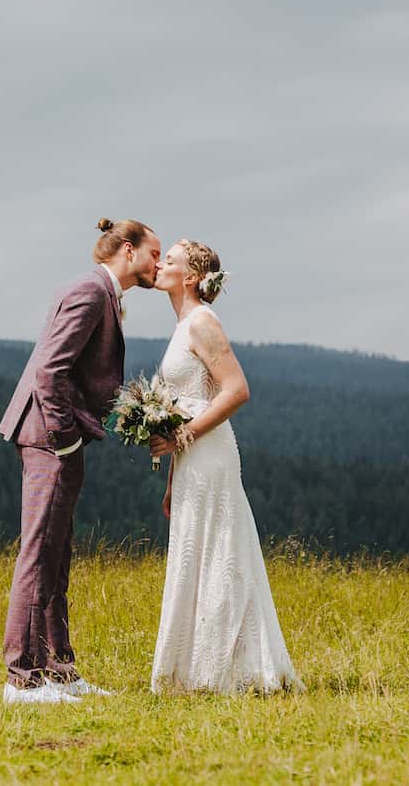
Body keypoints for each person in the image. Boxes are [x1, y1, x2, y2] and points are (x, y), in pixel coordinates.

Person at [0, 217, 161, 705]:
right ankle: (21, 680)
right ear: (127, 251)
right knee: (39, 551)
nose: (158, 263)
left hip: (58, 438)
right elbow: (49, 372)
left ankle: (58, 670)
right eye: (154, 253)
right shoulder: (91, 291)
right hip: (49, 438)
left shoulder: (100, 292)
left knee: (58, 553)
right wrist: (65, 439)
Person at [148, 239, 303, 694]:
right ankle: (197, 669)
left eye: (170, 260)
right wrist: (173, 477)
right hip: (191, 458)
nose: (159, 264)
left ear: (191, 277)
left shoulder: (202, 322)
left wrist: (185, 434)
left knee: (218, 552)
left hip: (210, 453)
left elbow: (236, 390)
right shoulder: (182, 326)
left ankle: (229, 670)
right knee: (195, 552)